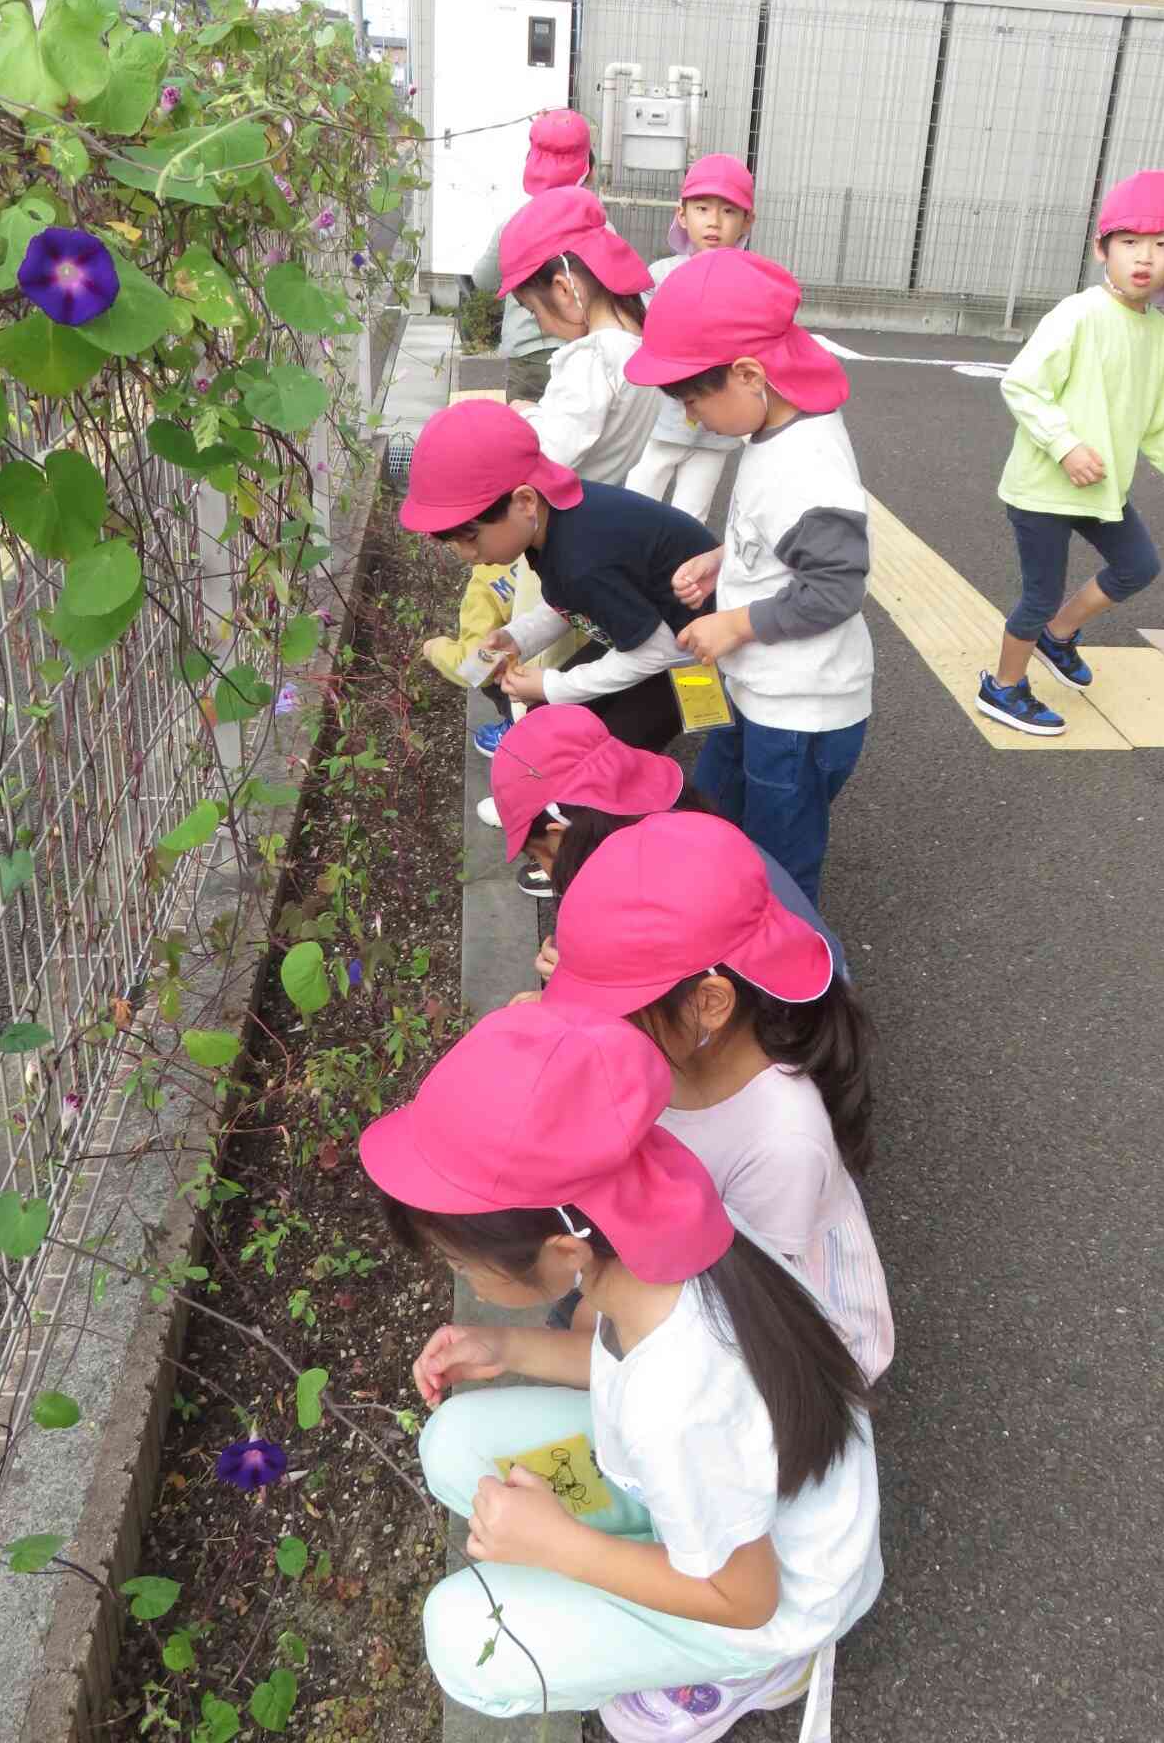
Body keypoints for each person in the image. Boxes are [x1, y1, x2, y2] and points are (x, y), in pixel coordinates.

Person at [359, 999, 882, 1734]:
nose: (462, 1278)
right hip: (716, 1495)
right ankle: (629, 1561)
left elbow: (747, 1595)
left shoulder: (683, 1398)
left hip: (770, 1593)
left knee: (464, 1637)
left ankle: (760, 1669)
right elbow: (625, 1366)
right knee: (452, 1445)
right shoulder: (662, 1225)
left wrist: (562, 1547)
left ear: (565, 1253)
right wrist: (505, 1348)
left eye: (458, 1262)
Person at [544, 814, 892, 1385]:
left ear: (709, 1003)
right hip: (692, 1258)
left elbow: (732, 1321)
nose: (593, 1026)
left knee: (583, 1328)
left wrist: (587, 1314)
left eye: (614, 1007)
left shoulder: (783, 1142)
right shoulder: (673, 1051)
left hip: (768, 1340)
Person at [624, 251, 874, 906]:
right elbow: (781, 541)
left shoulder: (808, 469)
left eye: (691, 399)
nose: (687, 416)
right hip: (760, 690)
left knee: (780, 866)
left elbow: (837, 589)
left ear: (747, 374)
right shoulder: (776, 425)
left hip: (800, 715)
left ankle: (795, 990)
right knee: (713, 808)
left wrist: (735, 622)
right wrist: (725, 562)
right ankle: (710, 916)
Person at [976, 168, 1164, 737]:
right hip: (1043, 489)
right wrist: (1065, 447)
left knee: (1139, 565)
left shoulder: (1157, 332)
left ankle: (1057, 637)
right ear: (1101, 249)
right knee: (1038, 594)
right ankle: (1004, 686)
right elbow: (1022, 383)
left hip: (1102, 490)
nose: (1145, 258)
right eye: (1130, 242)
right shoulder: (1079, 314)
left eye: (1163, 245)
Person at [398, 399, 716, 766]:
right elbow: (571, 600)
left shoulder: (582, 557)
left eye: (470, 538)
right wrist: (519, 636)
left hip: (689, 656)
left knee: (595, 758)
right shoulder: (558, 516)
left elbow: (658, 650)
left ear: (524, 502)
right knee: (546, 726)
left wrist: (552, 685)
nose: (465, 554)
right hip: (640, 632)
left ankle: (586, 814)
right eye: (452, 543)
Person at [484, 703, 849, 974]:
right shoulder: (680, 825)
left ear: (558, 833)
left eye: (539, 857)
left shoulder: (640, 896)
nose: (546, 872)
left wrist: (577, 983)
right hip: (818, 1000)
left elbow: (677, 1024)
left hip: (788, 1047)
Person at [496, 187, 661, 486]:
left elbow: (552, 453)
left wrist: (524, 416)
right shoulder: (639, 346)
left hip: (567, 510)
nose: (543, 327)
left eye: (533, 311)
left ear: (563, 289)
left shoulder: (592, 359)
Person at [624, 156, 754, 523]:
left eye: (729, 211)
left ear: (747, 220)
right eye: (701, 208)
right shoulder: (661, 277)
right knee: (639, 496)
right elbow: (640, 338)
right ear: (682, 214)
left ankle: (677, 578)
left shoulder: (750, 280)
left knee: (691, 517)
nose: (714, 221)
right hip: (663, 416)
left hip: (720, 423)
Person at [472, 110, 592, 405]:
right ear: (588, 168)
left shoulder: (514, 224)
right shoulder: (599, 226)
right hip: (583, 354)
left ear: (530, 163)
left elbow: (483, 280)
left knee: (526, 439)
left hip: (526, 355)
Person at [419, 560, 520, 733]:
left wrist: (433, 648)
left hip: (536, 687)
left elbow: (474, 668)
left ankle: (518, 726)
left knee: (493, 680)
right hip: (576, 661)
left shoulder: (485, 585)